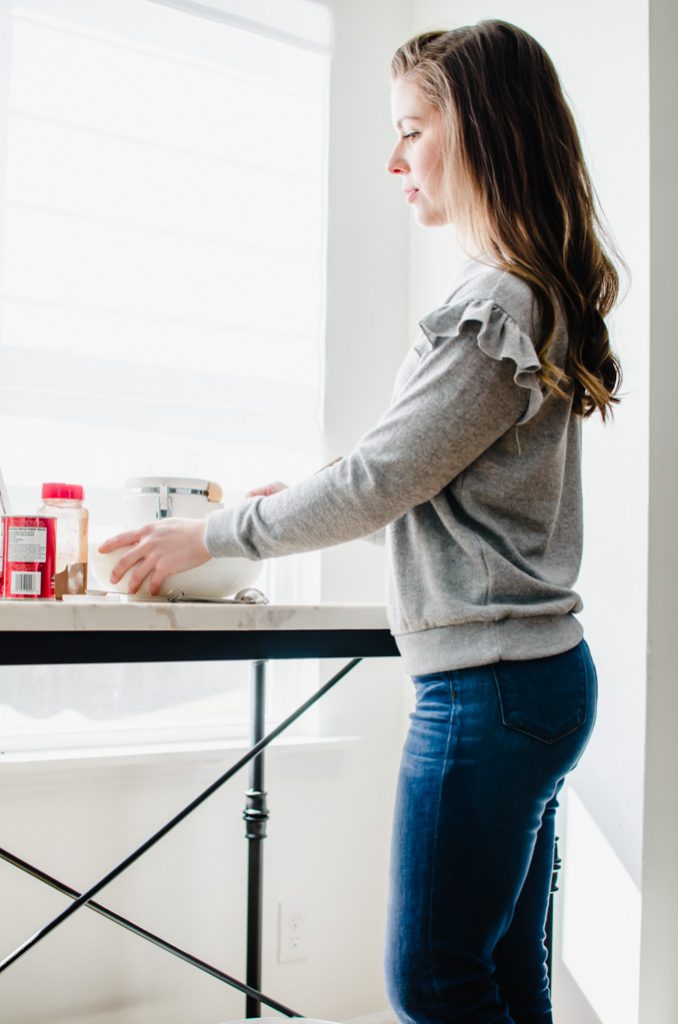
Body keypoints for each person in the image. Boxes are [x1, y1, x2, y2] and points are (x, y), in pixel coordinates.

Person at [100, 20, 622, 1023]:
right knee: (506, 975)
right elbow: (411, 463)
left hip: (489, 691)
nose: (395, 161)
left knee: (432, 976)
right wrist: (292, 492)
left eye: (412, 131)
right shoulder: (534, 301)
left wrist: (204, 536)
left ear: (482, 132)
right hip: (535, 677)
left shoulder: (490, 312)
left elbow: (376, 482)